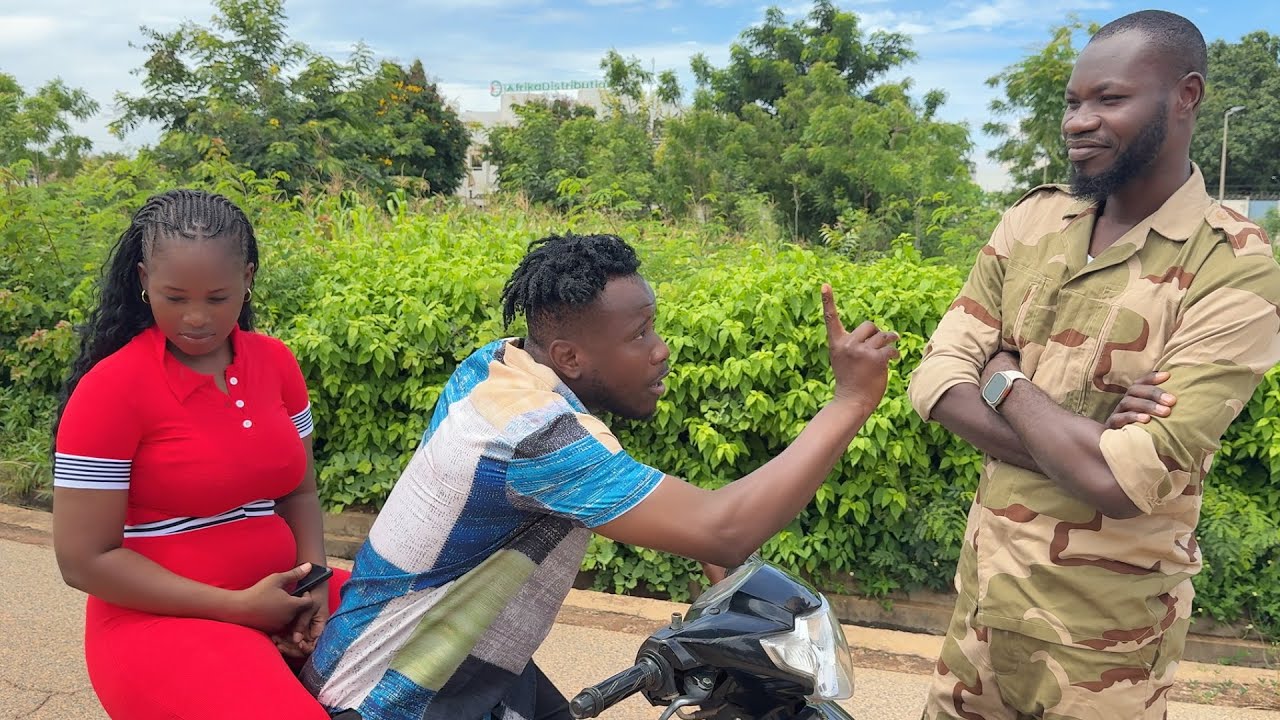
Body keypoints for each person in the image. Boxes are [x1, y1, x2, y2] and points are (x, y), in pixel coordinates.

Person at [303, 232, 899, 719]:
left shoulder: (501, 366)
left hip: (464, 669)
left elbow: (623, 487)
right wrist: (849, 401)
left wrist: (709, 567)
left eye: (653, 326)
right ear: (569, 357)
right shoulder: (531, 429)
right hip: (390, 697)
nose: (660, 349)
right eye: (639, 334)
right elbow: (723, 530)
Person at [908, 10, 1280, 720]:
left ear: (1186, 96)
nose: (1079, 121)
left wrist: (1004, 379)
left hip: (1108, 654)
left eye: (1109, 100)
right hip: (979, 627)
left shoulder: (1233, 267)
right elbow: (933, 382)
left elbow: (1122, 479)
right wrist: (1087, 443)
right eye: (1073, 103)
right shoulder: (1033, 223)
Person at [51, 189, 349, 718]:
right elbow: (83, 561)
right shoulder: (112, 390)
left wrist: (315, 583)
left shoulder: (275, 363)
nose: (195, 318)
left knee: (448, 631)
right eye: (174, 297)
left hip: (287, 596)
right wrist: (239, 608)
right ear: (144, 282)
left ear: (248, 279)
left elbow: (299, 491)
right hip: (159, 623)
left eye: (216, 298)